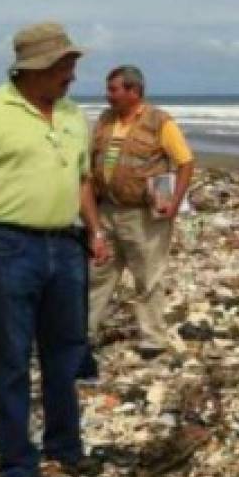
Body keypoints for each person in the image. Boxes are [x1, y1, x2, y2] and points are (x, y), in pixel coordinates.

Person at [0, 22, 109, 477]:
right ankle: (18, 466)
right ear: (35, 67)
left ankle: (66, 447)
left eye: (72, 65)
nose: (72, 76)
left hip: (66, 244)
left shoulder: (75, 115)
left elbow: (80, 180)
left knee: (66, 353)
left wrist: (94, 230)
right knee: (11, 358)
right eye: (64, 66)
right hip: (8, 245)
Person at [84, 65, 194, 368]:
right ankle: (85, 333)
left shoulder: (160, 122)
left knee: (148, 277)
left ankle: (152, 340)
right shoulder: (106, 121)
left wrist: (174, 201)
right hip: (106, 210)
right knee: (98, 275)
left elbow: (185, 162)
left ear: (134, 91)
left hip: (143, 214)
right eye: (108, 90)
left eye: (114, 90)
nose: (108, 96)